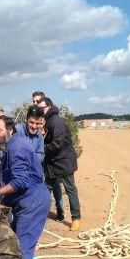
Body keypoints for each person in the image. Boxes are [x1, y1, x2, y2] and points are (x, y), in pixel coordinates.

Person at [0, 115, 50, 259]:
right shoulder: (12, 147)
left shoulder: (17, 148)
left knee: (22, 248)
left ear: (10, 129)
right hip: (29, 200)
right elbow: (4, 172)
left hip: (32, 201)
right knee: (22, 244)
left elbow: (21, 181)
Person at [39, 97, 82, 231]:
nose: (40, 110)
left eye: (42, 108)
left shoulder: (56, 121)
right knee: (46, 189)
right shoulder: (47, 120)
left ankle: (76, 218)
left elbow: (57, 143)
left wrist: (41, 148)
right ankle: (39, 217)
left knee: (70, 189)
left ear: (49, 106)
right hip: (53, 162)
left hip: (63, 161)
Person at [32, 93, 65, 221]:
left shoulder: (50, 118)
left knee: (52, 184)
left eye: (38, 101)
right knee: (44, 184)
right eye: (33, 101)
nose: (35, 103)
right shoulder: (34, 116)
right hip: (39, 156)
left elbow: (53, 139)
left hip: (49, 156)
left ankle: (59, 210)